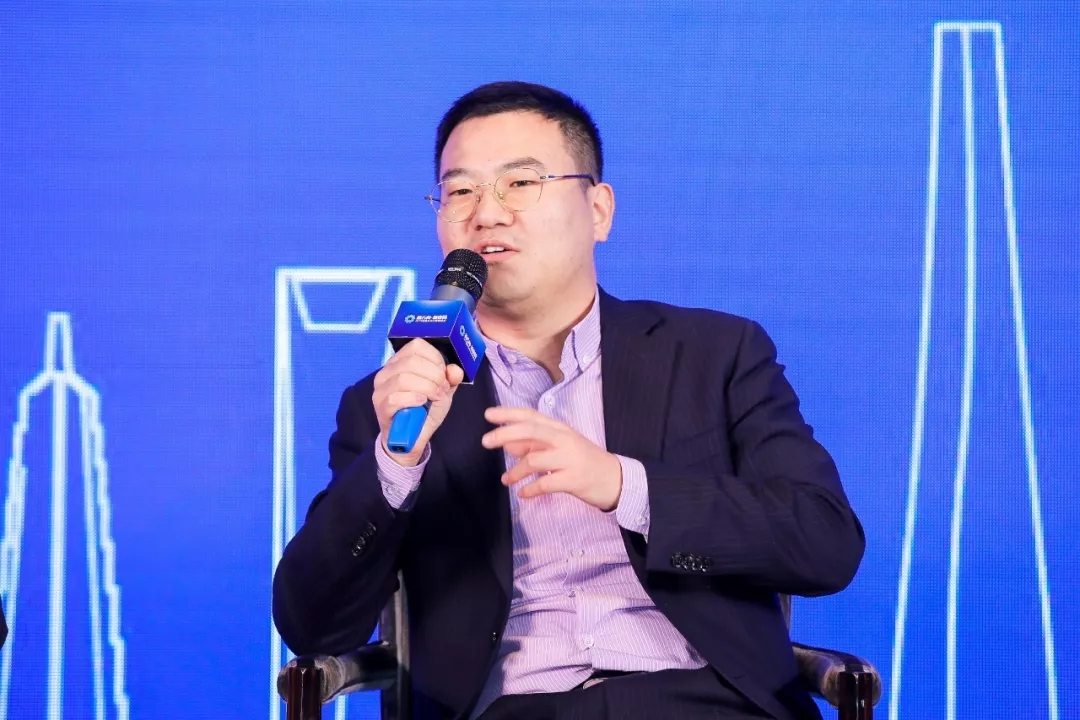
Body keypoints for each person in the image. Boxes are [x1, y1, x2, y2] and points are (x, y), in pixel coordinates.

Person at [272, 81, 865, 720]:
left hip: (709, 704)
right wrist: (395, 465)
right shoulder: (393, 399)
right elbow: (314, 626)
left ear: (599, 210)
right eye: (460, 191)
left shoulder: (714, 353)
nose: (487, 213)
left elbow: (825, 541)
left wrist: (622, 485)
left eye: (520, 183)